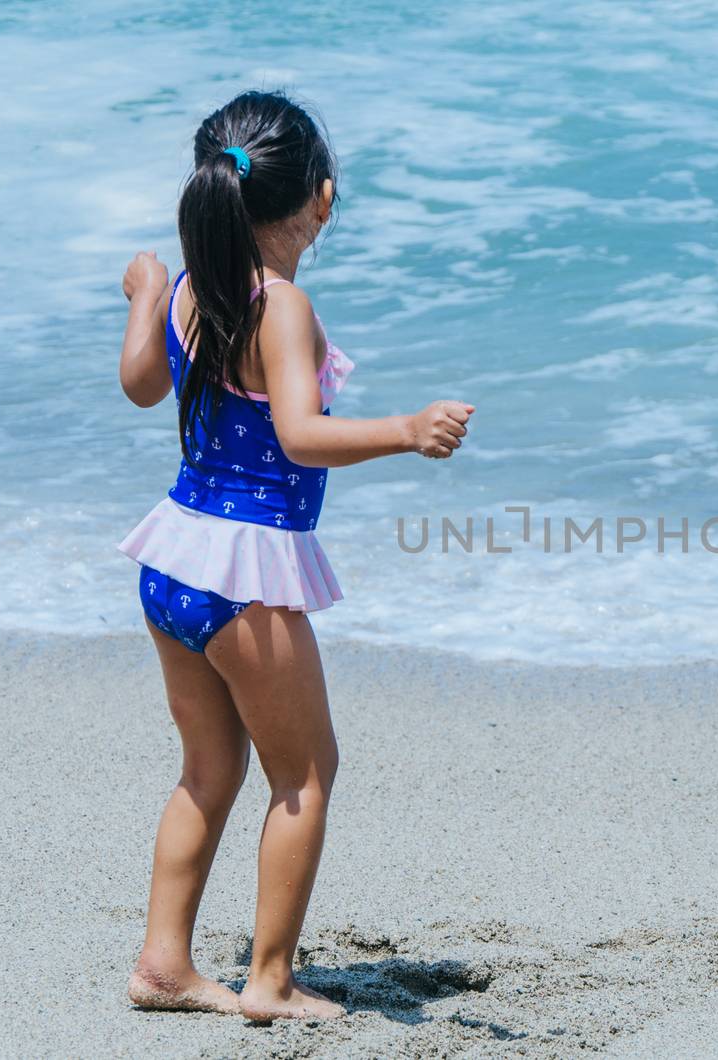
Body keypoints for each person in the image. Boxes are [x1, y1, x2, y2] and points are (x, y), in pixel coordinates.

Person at [114, 90, 472, 1021]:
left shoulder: (194, 286)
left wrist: (150, 296)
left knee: (207, 770)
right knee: (304, 775)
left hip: (174, 557)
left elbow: (142, 386)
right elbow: (301, 435)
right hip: (246, 572)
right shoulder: (281, 305)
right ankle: (269, 981)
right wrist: (405, 428)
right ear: (320, 196)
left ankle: (165, 963)